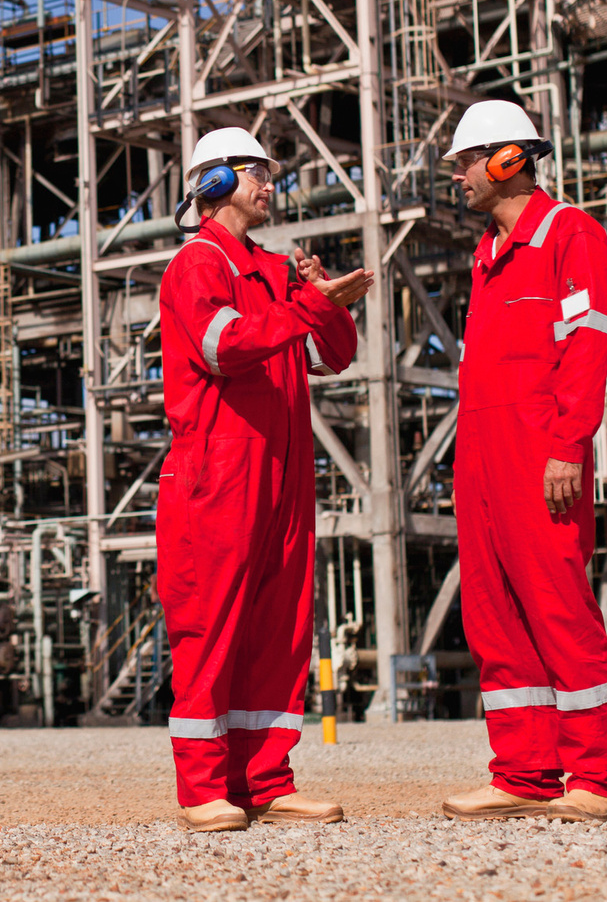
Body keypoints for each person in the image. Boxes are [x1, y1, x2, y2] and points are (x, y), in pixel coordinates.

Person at [156, 126, 373, 831]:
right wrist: (306, 304)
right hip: (217, 470)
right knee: (211, 625)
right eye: (256, 171)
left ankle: (266, 779)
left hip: (281, 473)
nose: (270, 181)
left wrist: (322, 297)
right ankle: (203, 787)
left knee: (279, 631)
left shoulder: (276, 270)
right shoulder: (197, 263)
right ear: (213, 182)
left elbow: (335, 354)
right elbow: (224, 346)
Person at [441, 99, 607, 823]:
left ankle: (598, 776)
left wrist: (567, 443)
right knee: (494, 614)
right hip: (481, 459)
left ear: (507, 160)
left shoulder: (567, 233)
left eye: (464, 161)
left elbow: (587, 345)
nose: (457, 176)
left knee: (557, 606)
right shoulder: (488, 257)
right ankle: (524, 770)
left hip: (539, 450)